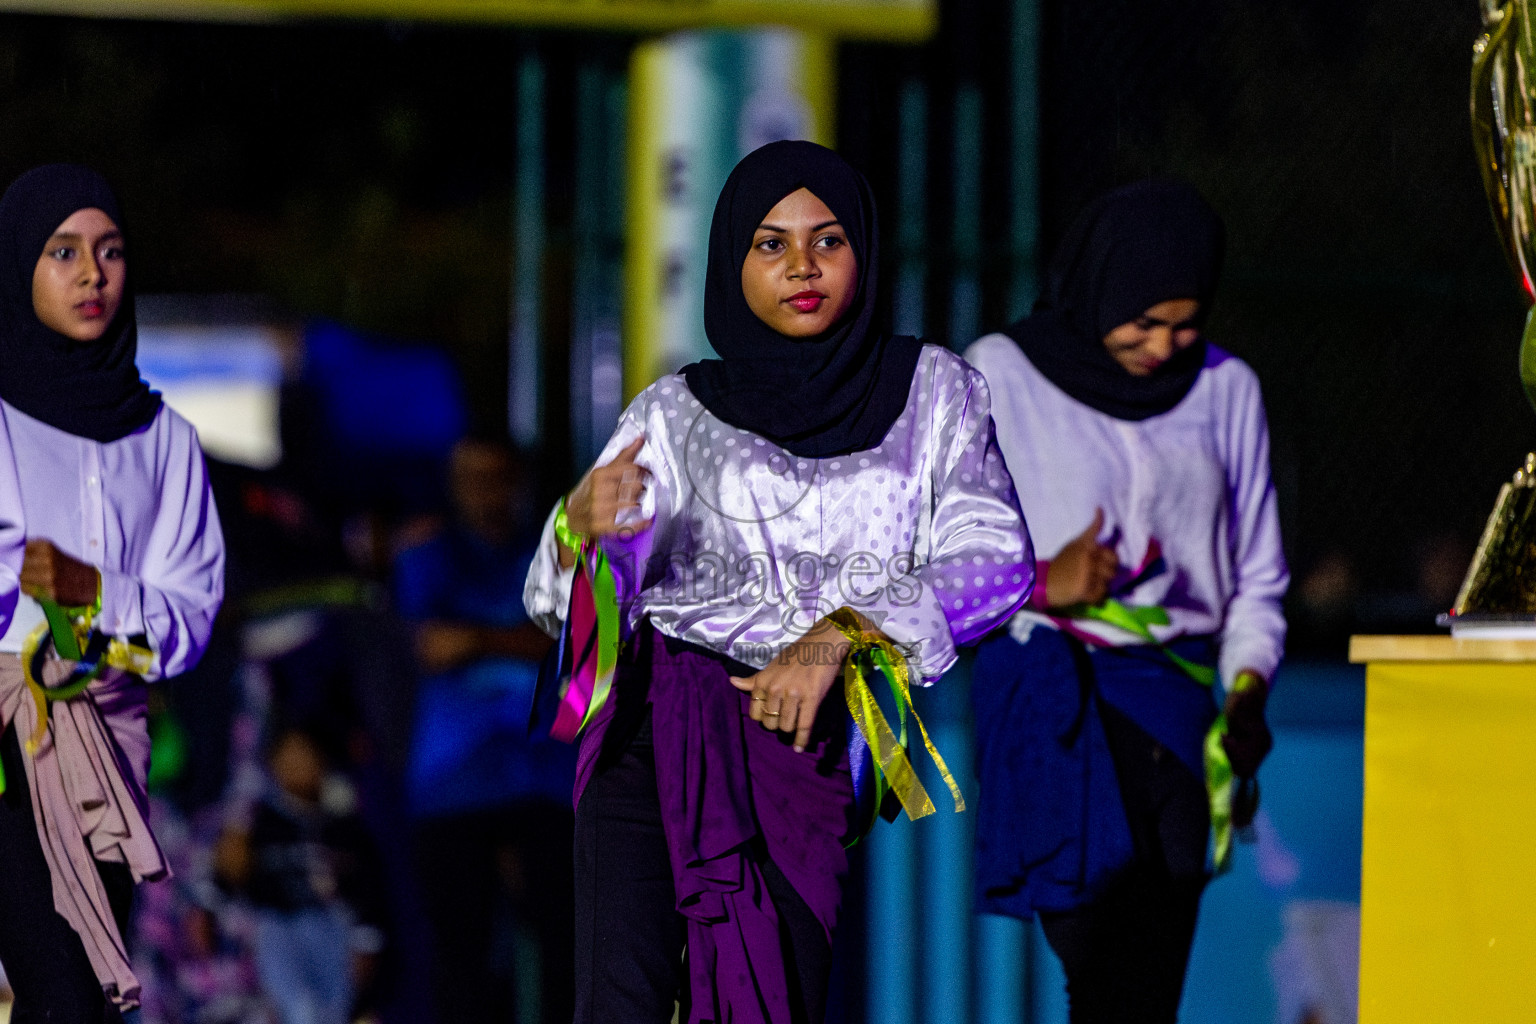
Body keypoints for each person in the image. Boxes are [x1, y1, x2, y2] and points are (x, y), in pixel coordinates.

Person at [524, 139, 1033, 1024]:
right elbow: (556, 600)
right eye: (770, 243)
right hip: (655, 726)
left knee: (770, 1000)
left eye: (827, 240)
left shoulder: (935, 394)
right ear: (733, 262)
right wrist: (580, 528)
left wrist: (841, 634)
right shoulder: (676, 410)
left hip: (799, 748)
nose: (802, 265)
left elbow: (996, 565)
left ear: (864, 253)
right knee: (621, 1002)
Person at [964, 180, 1288, 1023]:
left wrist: (1248, 685)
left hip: (1178, 703)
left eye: (1183, 323)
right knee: (1099, 959)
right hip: (1057, 698)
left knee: (1148, 979)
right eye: (1140, 321)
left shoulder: (1226, 389)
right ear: (1097, 289)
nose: (1161, 344)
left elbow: (1257, 578)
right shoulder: (1002, 373)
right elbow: (933, 565)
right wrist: (1043, 579)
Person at [0, 164, 225, 1020]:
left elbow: (188, 624)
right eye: (63, 252)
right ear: (18, 264)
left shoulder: (165, 439)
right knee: (63, 988)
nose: (93, 273)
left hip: (109, 738)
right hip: (6, 742)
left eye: (110, 251)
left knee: (86, 997)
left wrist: (100, 593)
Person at [394, 436, 575, 1024]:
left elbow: (579, 651)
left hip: (547, 783)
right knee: (460, 967)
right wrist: (525, 642)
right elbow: (429, 647)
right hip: (453, 786)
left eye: (497, 476)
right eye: (470, 477)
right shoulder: (427, 554)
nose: (485, 491)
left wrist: (476, 639)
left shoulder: (552, 551)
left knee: (568, 956)